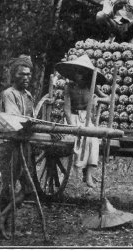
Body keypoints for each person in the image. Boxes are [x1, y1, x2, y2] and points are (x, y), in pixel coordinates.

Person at [0, 55, 36, 240]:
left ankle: (1, 219)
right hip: (9, 145)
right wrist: (29, 123)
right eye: (22, 74)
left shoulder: (29, 95)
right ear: (14, 76)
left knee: (28, 188)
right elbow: (14, 119)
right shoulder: (9, 94)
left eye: (29, 74)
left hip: (22, 144)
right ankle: (3, 225)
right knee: (8, 185)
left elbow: (33, 119)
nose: (26, 77)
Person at [56, 55, 110, 188]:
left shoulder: (91, 86)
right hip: (73, 118)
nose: (78, 75)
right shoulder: (69, 87)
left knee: (93, 140)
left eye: (82, 72)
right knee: (77, 139)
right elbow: (67, 109)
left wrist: (98, 99)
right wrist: (71, 126)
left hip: (86, 118)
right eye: (76, 71)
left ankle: (89, 174)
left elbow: (109, 99)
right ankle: (77, 170)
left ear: (86, 73)